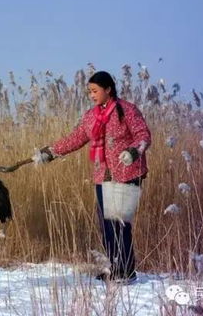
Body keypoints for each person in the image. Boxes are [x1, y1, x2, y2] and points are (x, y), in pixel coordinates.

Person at [34, 71, 151, 283]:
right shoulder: (91, 116)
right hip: (102, 175)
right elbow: (76, 138)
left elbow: (143, 135)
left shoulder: (127, 111)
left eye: (95, 91)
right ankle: (113, 268)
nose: (91, 95)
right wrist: (50, 152)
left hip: (126, 173)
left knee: (120, 223)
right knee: (106, 225)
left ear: (108, 89)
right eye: (89, 91)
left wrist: (133, 152)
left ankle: (126, 272)